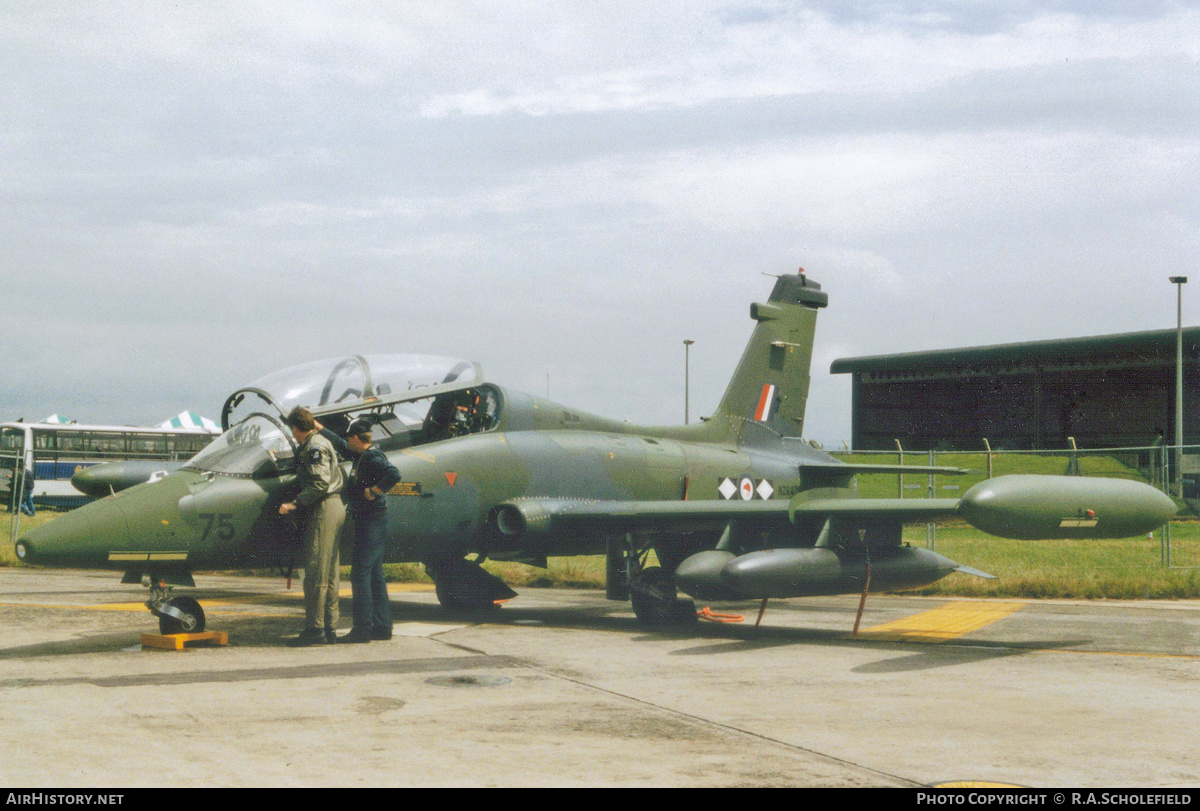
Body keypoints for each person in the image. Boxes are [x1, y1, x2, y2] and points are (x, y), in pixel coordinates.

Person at [320, 418, 401, 643]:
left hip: (372, 522)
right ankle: (383, 627)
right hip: (371, 520)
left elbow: (394, 474)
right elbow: (339, 443)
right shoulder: (362, 455)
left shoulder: (373, 457)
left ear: (356, 438)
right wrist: (319, 427)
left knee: (360, 574)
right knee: (375, 574)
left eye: (349, 437)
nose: (347, 441)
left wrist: (374, 490)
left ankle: (362, 629)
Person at [279, 406, 346, 647]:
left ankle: (315, 629)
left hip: (323, 508)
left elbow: (319, 483)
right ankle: (329, 628)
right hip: (332, 506)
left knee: (317, 572)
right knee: (329, 572)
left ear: (297, 428)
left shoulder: (315, 446)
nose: (292, 433)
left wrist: (294, 504)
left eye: (292, 429)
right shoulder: (317, 443)